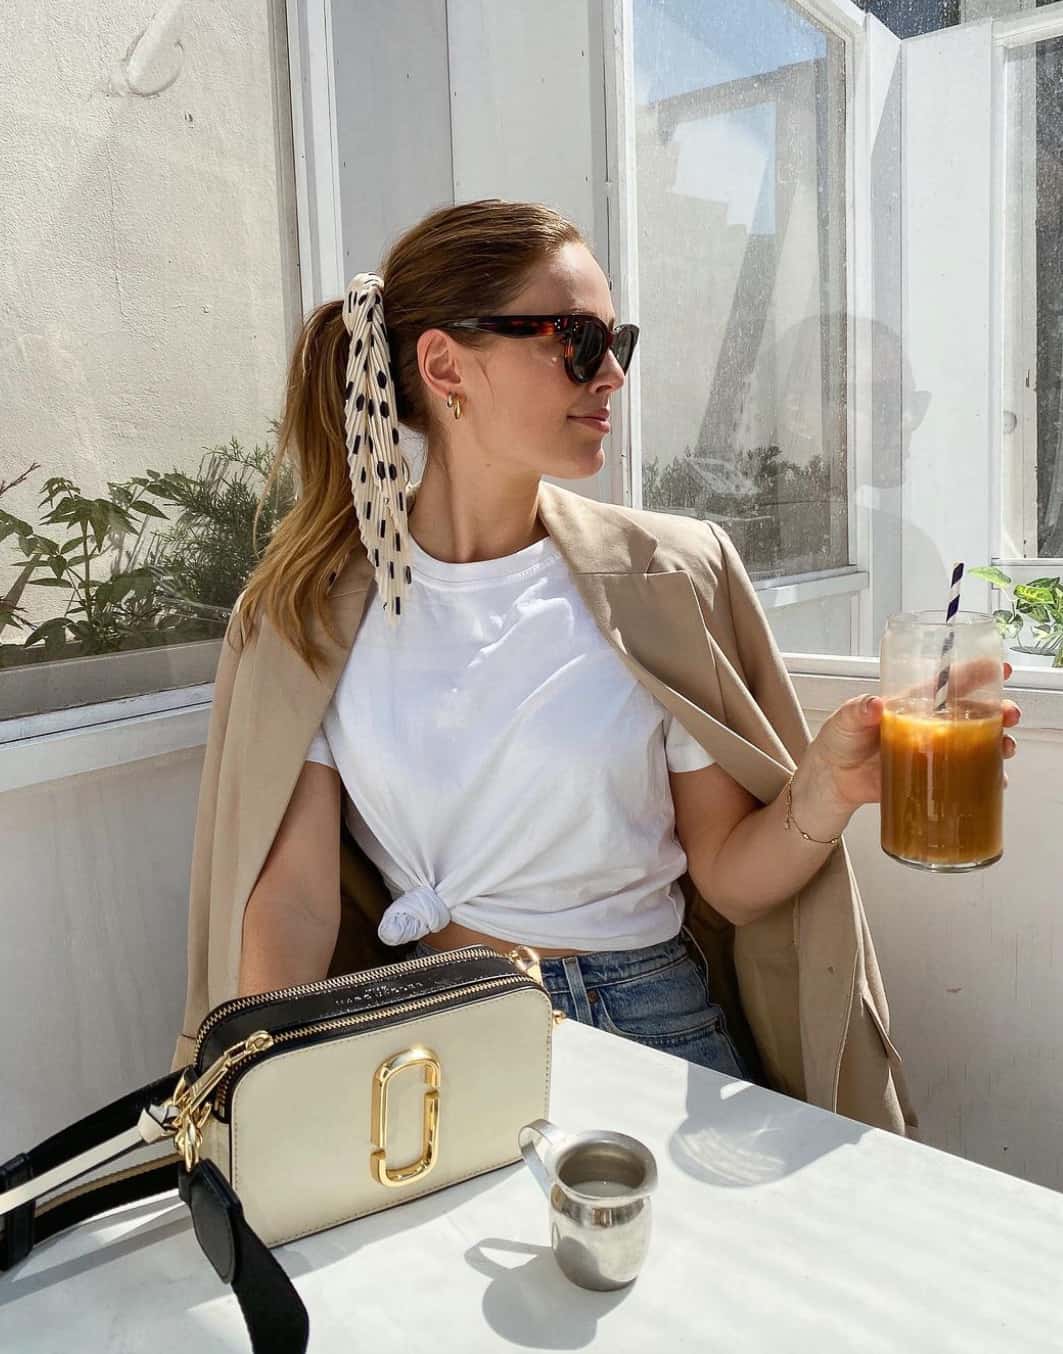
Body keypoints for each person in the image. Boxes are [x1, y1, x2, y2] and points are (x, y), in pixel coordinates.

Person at [172, 199, 1019, 1134]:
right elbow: (289, 903)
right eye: (575, 339)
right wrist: (259, 1103)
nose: (611, 373)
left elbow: (728, 881)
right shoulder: (309, 612)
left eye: (616, 339)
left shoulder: (663, 576)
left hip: (644, 1025)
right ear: (445, 364)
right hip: (427, 1036)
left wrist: (826, 785)